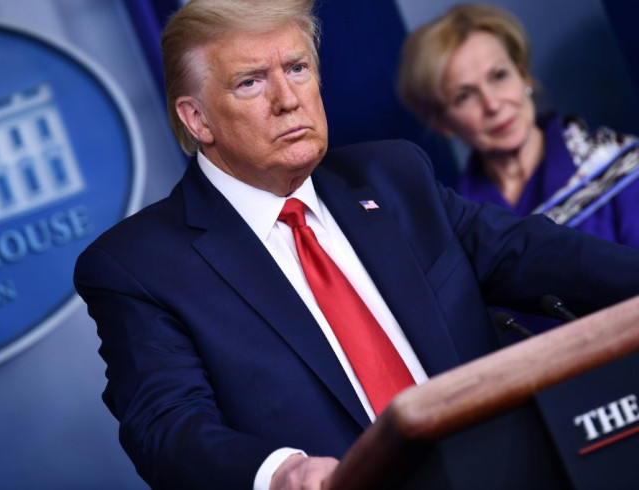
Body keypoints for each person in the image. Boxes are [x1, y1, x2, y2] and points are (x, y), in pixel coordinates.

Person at [73, 1, 639, 489]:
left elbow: (534, 253)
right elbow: (166, 426)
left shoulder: (393, 176)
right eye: (251, 81)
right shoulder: (138, 265)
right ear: (196, 119)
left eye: (297, 68)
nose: (287, 98)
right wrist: (281, 472)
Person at [397, 3, 639, 248]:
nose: (492, 104)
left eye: (499, 76)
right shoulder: (456, 228)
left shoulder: (625, 167)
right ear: (442, 123)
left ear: (524, 76)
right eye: (464, 96)